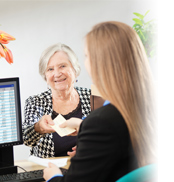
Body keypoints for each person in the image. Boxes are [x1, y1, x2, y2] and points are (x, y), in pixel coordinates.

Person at [43, 21, 157, 182]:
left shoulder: (101, 121)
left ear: (100, 62)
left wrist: (53, 176)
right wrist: (83, 126)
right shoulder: (150, 106)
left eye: (87, 56)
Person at [22, 43, 91, 158]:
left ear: (75, 69)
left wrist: (88, 149)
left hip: (87, 166)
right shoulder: (35, 102)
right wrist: (38, 128)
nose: (57, 74)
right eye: (50, 69)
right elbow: (26, 139)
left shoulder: (92, 97)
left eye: (62, 66)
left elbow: (107, 135)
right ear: (45, 76)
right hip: (48, 170)